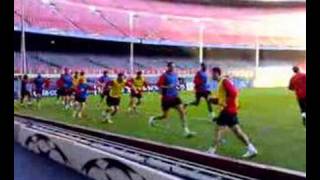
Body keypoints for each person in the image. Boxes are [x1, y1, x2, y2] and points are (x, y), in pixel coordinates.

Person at [207, 67, 258, 158]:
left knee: (218, 130)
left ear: (217, 73)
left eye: (212, 74)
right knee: (237, 131)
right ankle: (251, 149)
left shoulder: (224, 81)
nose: (211, 76)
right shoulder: (222, 83)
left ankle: (211, 151)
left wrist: (225, 104)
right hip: (230, 110)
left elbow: (234, 93)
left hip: (227, 110)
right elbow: (222, 98)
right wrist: (213, 100)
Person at [148, 62, 195, 138]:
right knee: (164, 116)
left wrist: (176, 88)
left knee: (182, 112)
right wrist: (167, 87)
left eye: (174, 67)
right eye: (172, 67)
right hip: (166, 98)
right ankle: (153, 118)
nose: (173, 68)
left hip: (175, 97)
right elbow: (159, 86)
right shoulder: (164, 76)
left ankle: (186, 131)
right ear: (168, 67)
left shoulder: (175, 75)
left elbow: (175, 84)